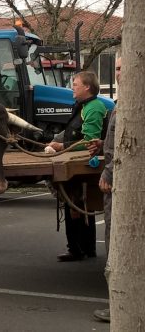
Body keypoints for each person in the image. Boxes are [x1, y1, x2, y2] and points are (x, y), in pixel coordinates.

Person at [48, 71, 107, 262]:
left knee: (74, 204)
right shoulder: (84, 106)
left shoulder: (94, 108)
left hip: (83, 165)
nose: (72, 87)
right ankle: (86, 248)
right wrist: (54, 141)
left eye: (75, 84)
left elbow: (90, 141)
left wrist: (61, 146)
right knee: (80, 204)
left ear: (87, 87)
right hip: (76, 160)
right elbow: (71, 131)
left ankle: (77, 249)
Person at [88, 57, 121, 323]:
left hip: (122, 187)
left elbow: (123, 147)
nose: (118, 73)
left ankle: (120, 305)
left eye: (121, 68)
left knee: (118, 242)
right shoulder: (119, 106)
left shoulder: (129, 106)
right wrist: (102, 143)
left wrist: (108, 172)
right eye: (117, 68)